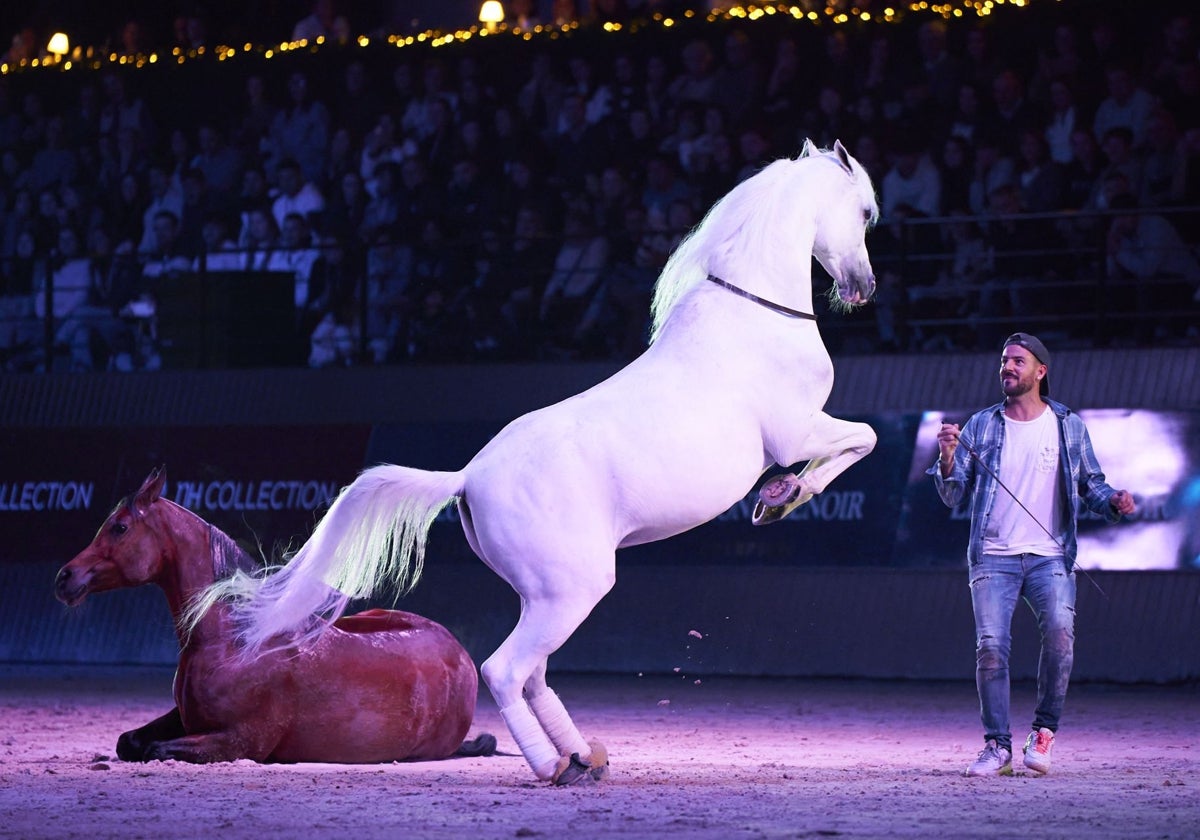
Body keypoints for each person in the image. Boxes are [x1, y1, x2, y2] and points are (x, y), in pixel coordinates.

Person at [930, 333, 1137, 777]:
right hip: (992, 556)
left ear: (1040, 371)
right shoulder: (982, 425)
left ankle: (1042, 734)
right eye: (1004, 360)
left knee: (1061, 639)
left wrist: (1114, 501)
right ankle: (996, 747)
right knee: (991, 649)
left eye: (1017, 361)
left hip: (1050, 556)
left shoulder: (1068, 425)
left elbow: (1091, 484)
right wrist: (948, 456)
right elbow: (952, 495)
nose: (1007, 367)